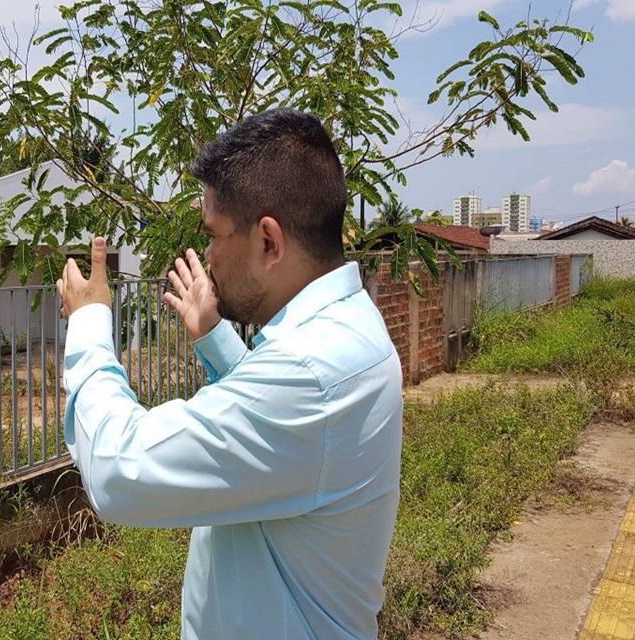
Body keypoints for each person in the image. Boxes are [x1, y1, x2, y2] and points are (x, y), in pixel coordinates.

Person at [56, 108, 402, 640]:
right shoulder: (344, 330)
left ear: (268, 241)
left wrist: (88, 325)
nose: (209, 256)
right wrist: (215, 338)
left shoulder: (309, 373)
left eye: (215, 235)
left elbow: (119, 471)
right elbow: (288, 441)